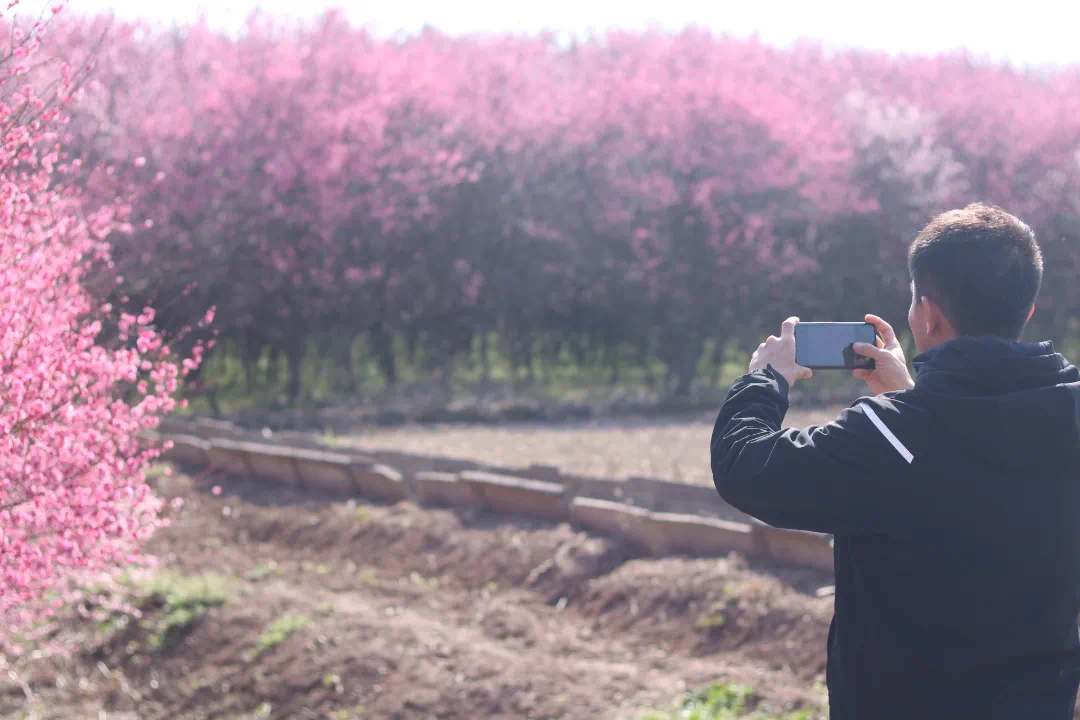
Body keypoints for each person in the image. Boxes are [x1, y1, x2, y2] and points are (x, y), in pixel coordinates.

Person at [711, 203, 1080, 719]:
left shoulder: (892, 438)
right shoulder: (1066, 412)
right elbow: (966, 454)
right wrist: (911, 395)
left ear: (926, 313)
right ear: (1028, 309)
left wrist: (764, 379)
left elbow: (745, 466)